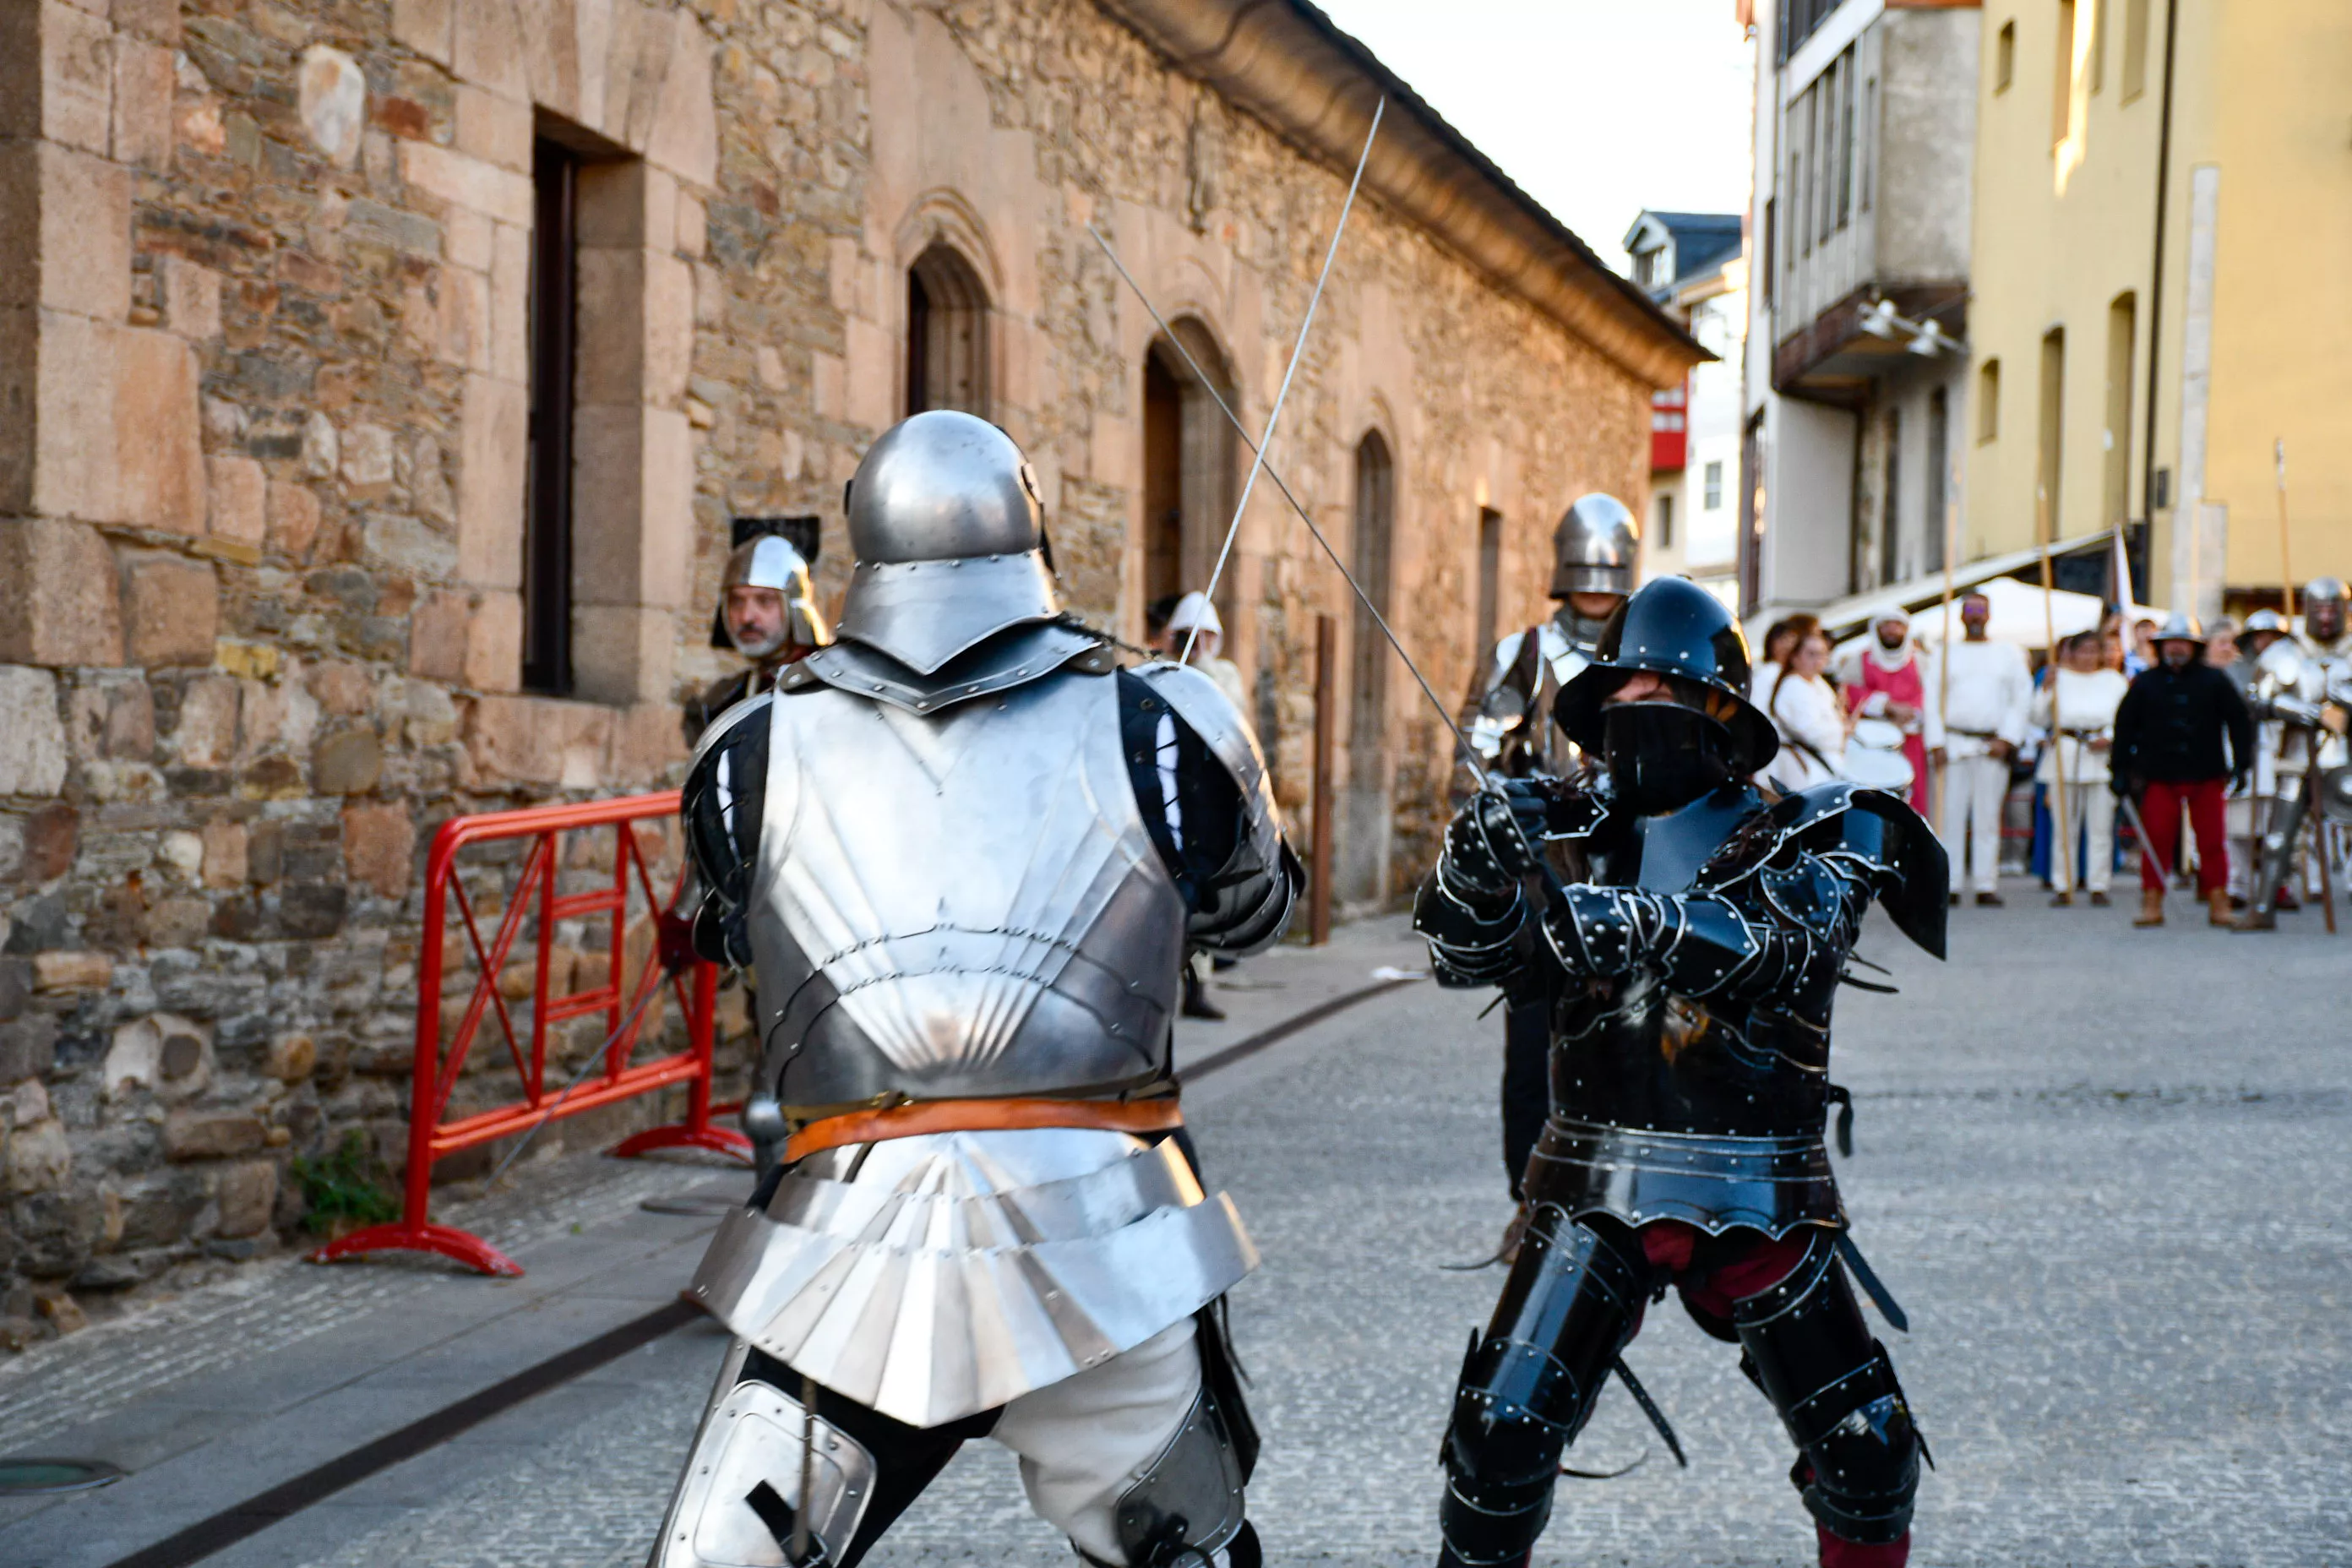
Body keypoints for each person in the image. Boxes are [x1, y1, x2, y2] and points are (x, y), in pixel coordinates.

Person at [657, 411, 1301, 1568]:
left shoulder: (748, 749)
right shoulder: (1165, 716)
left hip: (850, 1227)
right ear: (1031, 528)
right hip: (1104, 1222)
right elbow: (1255, 916)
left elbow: (734, 938)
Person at [1413, 577, 1946, 1568]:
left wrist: (1646, 919)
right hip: (1594, 1175)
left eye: (1665, 685)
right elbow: (1469, 958)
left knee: (1868, 1454)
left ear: (1722, 711)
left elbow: (1796, 950)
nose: (1637, 705)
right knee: (1498, 1442)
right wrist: (1476, 868)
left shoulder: (1814, 827)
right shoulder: (1568, 827)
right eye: (1622, 688)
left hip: (1759, 1178)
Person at [1463, 493, 1636, 1219]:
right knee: (1532, 1047)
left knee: (1630, 1039)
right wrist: (1502, 811)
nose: (1596, 589)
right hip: (1541, 878)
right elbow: (1476, 747)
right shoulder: (1525, 653)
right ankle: (1529, 1197)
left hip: (1629, 869)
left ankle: (1620, 1197)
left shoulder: (1646, 651)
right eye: (1586, 574)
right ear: (1566, 572)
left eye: (1608, 575)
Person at [2110, 613, 2254, 928]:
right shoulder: (2146, 682)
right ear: (2162, 647)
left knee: (2213, 841)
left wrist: (2243, 762)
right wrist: (2118, 767)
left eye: (2183, 643)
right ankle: (2152, 902)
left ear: (2194, 647)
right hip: (2160, 775)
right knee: (2157, 839)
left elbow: (2239, 720)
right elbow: (2125, 726)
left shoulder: (2214, 680)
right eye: (2171, 643)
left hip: (2206, 773)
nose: (2176, 649)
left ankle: (2218, 900)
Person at [1925, 591, 2030, 905]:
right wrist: (1936, 742)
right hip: (1954, 741)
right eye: (1969, 610)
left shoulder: (2007, 653)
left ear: (1989, 615)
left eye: (1980, 611)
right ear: (1960, 615)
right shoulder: (1943, 653)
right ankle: (1951, 883)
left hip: (1991, 742)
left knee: (1987, 817)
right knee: (1950, 817)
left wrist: (2008, 739)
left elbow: (2020, 698)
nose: (1975, 616)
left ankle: (1986, 883)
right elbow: (1931, 699)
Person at [682, 533, 830, 744]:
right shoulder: (722, 701)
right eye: (737, 602)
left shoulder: (828, 687)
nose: (746, 617)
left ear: (793, 607)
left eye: (764, 601)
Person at [2030, 633, 2128, 906]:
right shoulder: (2058, 678)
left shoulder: (2114, 681)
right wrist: (2046, 690)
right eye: (2082, 651)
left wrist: (2109, 736)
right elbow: (2038, 717)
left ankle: (2099, 883)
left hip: (2100, 753)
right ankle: (2064, 882)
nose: (2087, 657)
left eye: (2093, 651)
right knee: (2064, 825)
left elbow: (2124, 717)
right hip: (2067, 749)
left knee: (2100, 825)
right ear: (2071, 653)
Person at [1839, 609, 1932, 810]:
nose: (1892, 630)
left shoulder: (1922, 661)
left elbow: (1932, 697)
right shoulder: (1860, 660)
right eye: (1886, 625)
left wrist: (1911, 713)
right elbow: (1849, 695)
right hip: (1872, 746)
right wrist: (1887, 706)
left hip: (1911, 742)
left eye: (1897, 625)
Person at [1766, 623, 1850, 789]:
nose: (1818, 661)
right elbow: (1813, 733)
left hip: (1822, 768)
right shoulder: (1793, 685)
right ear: (1795, 657)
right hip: (1804, 772)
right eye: (1812, 654)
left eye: (1823, 655)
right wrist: (1844, 730)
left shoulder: (1817, 682)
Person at [1163, 590, 1250, 714]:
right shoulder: (1161, 667)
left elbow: (1231, 710)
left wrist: (1202, 662)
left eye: (1206, 634)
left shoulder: (1227, 672)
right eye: (1187, 633)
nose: (1195, 640)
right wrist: (1166, 651)